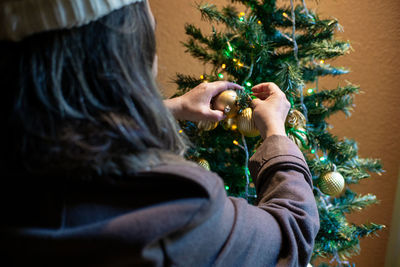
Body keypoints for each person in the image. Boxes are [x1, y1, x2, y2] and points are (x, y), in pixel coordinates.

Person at [0, 0, 319, 266]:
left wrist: (172, 106)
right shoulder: (176, 202)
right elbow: (290, 234)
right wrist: (276, 132)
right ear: (122, 50)